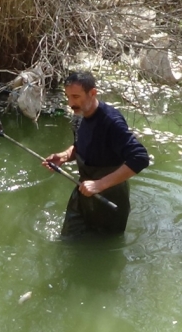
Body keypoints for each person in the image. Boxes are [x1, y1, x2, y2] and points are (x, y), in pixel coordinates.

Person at [43, 71, 150, 237]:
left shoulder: (111, 122)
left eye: (76, 97)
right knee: (67, 241)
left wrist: (99, 185)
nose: (71, 103)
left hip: (109, 201)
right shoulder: (79, 116)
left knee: (102, 250)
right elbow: (81, 145)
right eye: (68, 97)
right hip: (83, 193)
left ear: (92, 93)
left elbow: (140, 157)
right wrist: (64, 156)